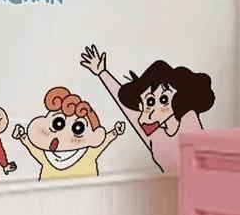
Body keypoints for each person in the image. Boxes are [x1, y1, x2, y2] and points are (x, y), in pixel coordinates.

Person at [80, 44, 214, 173]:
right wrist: (102, 73)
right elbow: (128, 110)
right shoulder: (155, 135)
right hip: (170, 185)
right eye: (148, 102)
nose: (152, 110)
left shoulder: (189, 119)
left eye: (163, 100)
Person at [12, 86, 124, 181]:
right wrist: (23, 136)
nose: (63, 136)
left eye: (78, 128)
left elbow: (103, 142)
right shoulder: (47, 155)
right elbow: (34, 149)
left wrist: (115, 132)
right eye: (58, 123)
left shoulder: (87, 153)